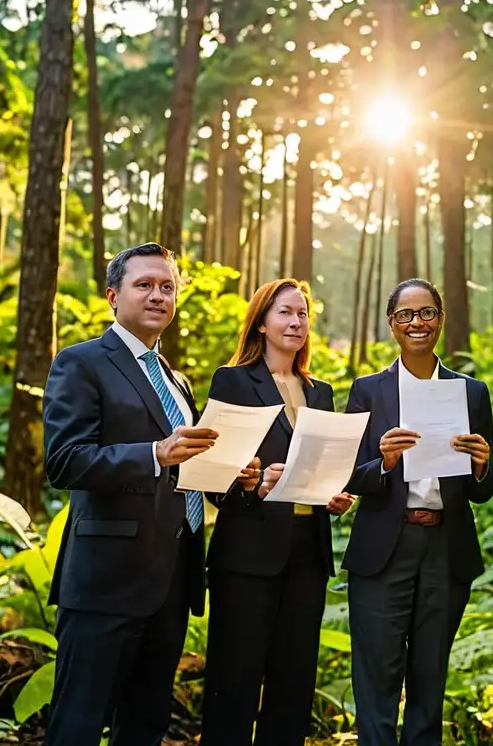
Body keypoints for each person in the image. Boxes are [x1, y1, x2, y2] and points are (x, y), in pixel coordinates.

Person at [42, 243, 259, 746]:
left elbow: (188, 469)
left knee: (145, 723)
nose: (158, 295)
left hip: (173, 580)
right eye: (144, 285)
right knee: (78, 720)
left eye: (167, 287)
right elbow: (64, 461)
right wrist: (154, 453)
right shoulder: (81, 363)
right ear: (113, 297)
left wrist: (231, 474)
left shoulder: (177, 380)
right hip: (106, 580)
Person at [344, 278, 493, 746]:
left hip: (445, 550)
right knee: (377, 675)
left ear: (440, 319)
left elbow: (483, 491)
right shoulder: (368, 390)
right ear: (392, 324)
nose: (417, 323)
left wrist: (480, 465)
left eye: (427, 312)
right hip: (383, 550)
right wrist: (384, 462)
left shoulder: (471, 392)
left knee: (430, 675)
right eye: (406, 315)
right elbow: (351, 476)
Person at [200, 279, 354, 745]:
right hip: (247, 554)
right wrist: (253, 483)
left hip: (308, 555)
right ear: (262, 322)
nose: (295, 322)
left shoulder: (320, 391)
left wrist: (333, 494)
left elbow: (322, 469)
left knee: (293, 682)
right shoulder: (233, 381)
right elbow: (214, 480)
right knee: (235, 680)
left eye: (303, 314)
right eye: (285, 312)